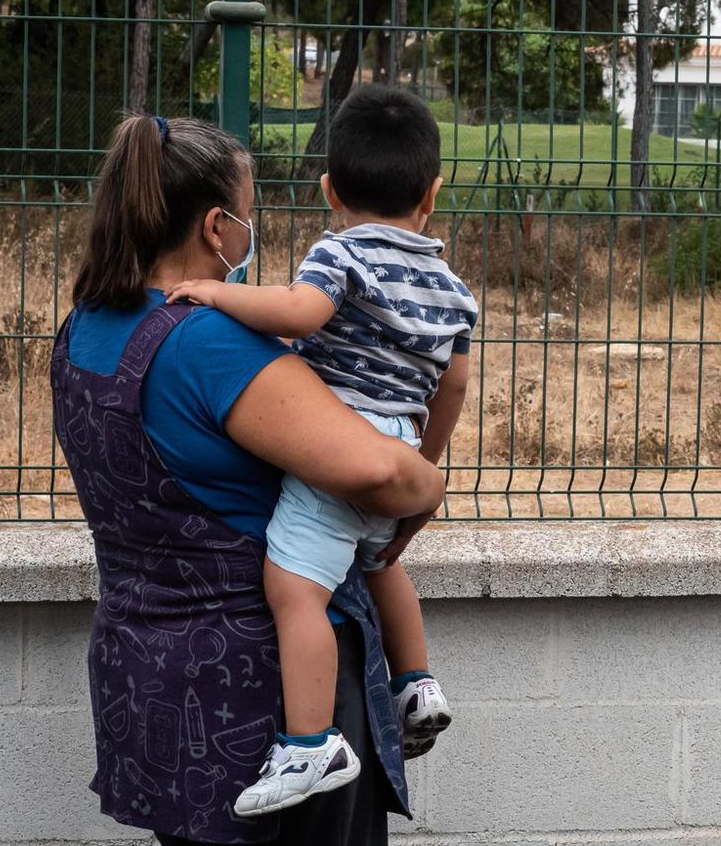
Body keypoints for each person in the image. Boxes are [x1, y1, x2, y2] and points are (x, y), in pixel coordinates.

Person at [52, 112, 443, 845]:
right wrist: (430, 485)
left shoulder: (85, 326)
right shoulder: (210, 345)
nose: (250, 235)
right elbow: (378, 475)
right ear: (214, 227)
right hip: (265, 702)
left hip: (149, 680)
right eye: (249, 218)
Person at [165, 84, 476, 816]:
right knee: (382, 563)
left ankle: (310, 744)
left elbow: (301, 312)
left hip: (337, 441)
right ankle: (416, 682)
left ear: (329, 188)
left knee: (294, 590)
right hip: (400, 438)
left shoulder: (340, 252)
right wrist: (421, 460)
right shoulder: (453, 288)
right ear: (432, 192)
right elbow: (455, 385)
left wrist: (218, 297)